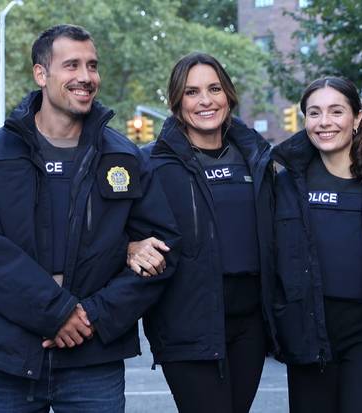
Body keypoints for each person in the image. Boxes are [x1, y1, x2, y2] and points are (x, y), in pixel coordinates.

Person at [0, 24, 180, 411]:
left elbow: (163, 252)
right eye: (72, 65)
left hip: (94, 359)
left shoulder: (124, 157)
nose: (86, 77)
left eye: (92, 65)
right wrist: (56, 313)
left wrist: (92, 315)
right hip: (10, 355)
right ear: (41, 74)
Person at [126, 52, 275, 413]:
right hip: (186, 322)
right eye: (192, 92)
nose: (205, 100)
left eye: (214, 89)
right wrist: (129, 247)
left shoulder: (257, 158)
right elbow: (112, 227)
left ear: (229, 95)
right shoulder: (149, 164)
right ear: (177, 102)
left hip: (251, 323)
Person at [271, 76, 362, 413]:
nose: (325, 122)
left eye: (336, 111)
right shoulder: (286, 182)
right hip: (308, 331)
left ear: (357, 117)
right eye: (314, 113)